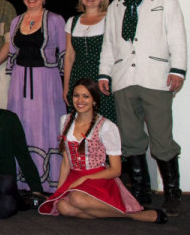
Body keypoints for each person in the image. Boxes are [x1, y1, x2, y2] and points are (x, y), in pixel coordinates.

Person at [98, 0, 186, 216]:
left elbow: (177, 37)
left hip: (156, 78)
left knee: (161, 137)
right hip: (124, 79)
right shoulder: (114, 7)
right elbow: (109, 45)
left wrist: (178, 69)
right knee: (131, 138)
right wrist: (104, 74)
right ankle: (140, 192)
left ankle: (172, 193)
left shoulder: (166, 0)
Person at [39, 79, 167, 224]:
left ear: (94, 100)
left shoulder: (106, 126)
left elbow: (116, 170)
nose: (80, 100)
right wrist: (58, 192)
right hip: (74, 177)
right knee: (63, 207)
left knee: (76, 199)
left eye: (86, 96)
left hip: (98, 179)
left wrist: (84, 179)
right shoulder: (65, 120)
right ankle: (120, 215)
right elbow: (66, 162)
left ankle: (134, 215)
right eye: (76, 95)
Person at [6, 0, 67, 193]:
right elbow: (12, 53)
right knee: (22, 126)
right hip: (20, 81)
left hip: (46, 81)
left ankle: (49, 181)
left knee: (45, 126)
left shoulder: (56, 20)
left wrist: (66, 85)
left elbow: (65, 53)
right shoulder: (16, 21)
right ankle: (23, 180)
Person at [62, 0, 115, 121]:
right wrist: (66, 86)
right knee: (80, 119)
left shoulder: (109, 19)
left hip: (101, 76)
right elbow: (69, 56)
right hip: (78, 76)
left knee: (104, 117)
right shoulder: (72, 21)